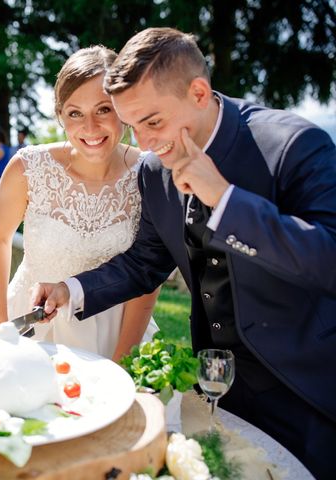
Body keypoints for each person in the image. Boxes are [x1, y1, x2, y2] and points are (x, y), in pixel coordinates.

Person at [33, 28, 336, 479]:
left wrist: (227, 201)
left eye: (153, 122)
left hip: (303, 389)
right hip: (216, 383)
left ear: (198, 92)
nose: (146, 143)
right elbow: (145, 262)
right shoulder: (153, 171)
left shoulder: (293, 146)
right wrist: (71, 289)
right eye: (133, 125)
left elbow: (328, 258)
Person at [0, 46, 159, 360]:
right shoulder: (28, 167)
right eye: (75, 113)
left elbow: (148, 273)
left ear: (124, 107)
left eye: (103, 109)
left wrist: (124, 356)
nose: (90, 128)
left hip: (117, 332)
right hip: (31, 325)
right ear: (60, 115)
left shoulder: (149, 175)